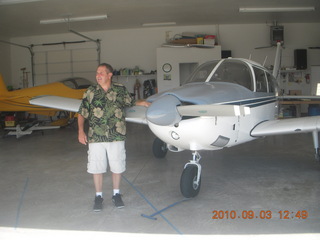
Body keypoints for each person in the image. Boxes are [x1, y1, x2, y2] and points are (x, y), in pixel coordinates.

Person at [77, 63, 150, 211]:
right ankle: (98, 196)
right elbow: (82, 112)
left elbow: (130, 101)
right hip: (96, 136)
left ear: (109, 75)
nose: (98, 75)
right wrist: (80, 131)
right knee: (96, 167)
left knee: (117, 166)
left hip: (116, 135)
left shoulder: (120, 89)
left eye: (102, 73)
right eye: (97, 72)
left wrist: (141, 102)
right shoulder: (90, 91)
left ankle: (116, 194)